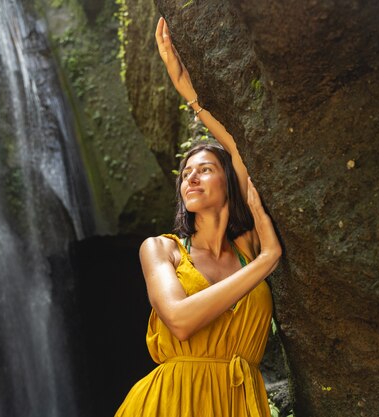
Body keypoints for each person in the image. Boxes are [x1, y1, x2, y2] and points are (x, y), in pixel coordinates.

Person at [115, 17, 282, 417]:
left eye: (204, 169)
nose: (191, 176)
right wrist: (267, 261)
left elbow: (240, 146)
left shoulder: (246, 247)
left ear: (228, 182)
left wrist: (186, 88)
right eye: (185, 173)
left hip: (237, 402)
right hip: (170, 403)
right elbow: (179, 320)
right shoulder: (161, 250)